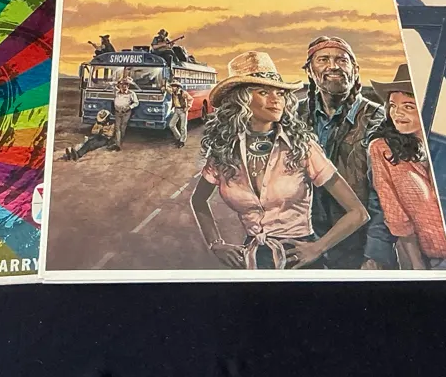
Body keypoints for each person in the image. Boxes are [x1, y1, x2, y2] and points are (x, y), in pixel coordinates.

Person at [190, 51, 368, 269]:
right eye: (264, 92)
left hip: (300, 262)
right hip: (251, 260)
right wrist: (216, 243)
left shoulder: (303, 147)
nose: (276, 100)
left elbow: (358, 213)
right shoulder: (223, 151)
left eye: (280, 93)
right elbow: (198, 201)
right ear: (241, 99)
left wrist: (317, 248)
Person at [297, 36, 395, 268]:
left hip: (358, 244)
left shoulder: (378, 119)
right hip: (304, 240)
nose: (333, 66)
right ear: (310, 71)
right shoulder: (294, 116)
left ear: (355, 70)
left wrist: (375, 254)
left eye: (342, 60)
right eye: (323, 59)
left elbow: (385, 194)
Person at [366, 65, 446, 269]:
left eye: (408, 106)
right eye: (392, 105)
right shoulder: (383, 150)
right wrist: (418, 266)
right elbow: (396, 216)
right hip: (430, 261)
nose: (397, 113)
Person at [110, 76, 139, 151]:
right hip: (117, 112)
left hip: (126, 113)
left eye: (125, 85)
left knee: (122, 128)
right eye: (122, 85)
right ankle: (118, 144)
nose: (124, 86)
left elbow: (136, 102)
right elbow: (112, 85)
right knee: (117, 128)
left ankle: (120, 141)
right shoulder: (116, 92)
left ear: (128, 86)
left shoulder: (131, 93)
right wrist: (118, 82)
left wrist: (130, 107)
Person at [167, 81, 192, 148]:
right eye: (172, 86)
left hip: (182, 110)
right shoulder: (173, 92)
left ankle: (182, 141)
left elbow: (190, 99)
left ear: (177, 87)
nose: (173, 88)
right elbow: (167, 88)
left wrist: (187, 107)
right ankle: (178, 138)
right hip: (176, 110)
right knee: (171, 125)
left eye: (174, 86)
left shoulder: (183, 93)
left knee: (183, 127)